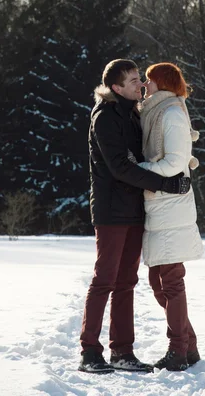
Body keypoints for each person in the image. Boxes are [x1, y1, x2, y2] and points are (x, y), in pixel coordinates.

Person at [78, 59, 192, 374]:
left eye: (140, 78)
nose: (140, 84)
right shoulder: (105, 117)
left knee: (127, 282)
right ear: (116, 88)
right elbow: (122, 168)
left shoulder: (132, 114)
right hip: (111, 211)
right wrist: (166, 183)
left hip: (134, 210)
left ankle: (122, 352)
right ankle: (90, 352)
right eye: (132, 80)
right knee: (105, 280)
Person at [138, 62, 203, 372]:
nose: (144, 86)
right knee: (159, 280)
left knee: (171, 281)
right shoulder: (158, 111)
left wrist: (140, 172)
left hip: (170, 204)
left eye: (148, 81)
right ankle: (188, 346)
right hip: (160, 204)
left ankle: (178, 349)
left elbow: (175, 162)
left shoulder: (172, 115)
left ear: (161, 83)